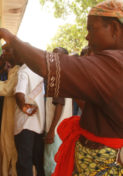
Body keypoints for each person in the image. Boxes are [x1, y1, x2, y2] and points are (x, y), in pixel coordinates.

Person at [0, 0, 123, 175]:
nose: (87, 37)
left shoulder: (113, 64)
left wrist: (12, 39)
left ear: (114, 29)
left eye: (91, 28)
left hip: (103, 165)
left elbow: (48, 65)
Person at [44, 47, 73, 176]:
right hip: (62, 130)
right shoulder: (66, 76)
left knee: (51, 166)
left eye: (57, 55)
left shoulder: (58, 78)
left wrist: (51, 131)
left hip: (56, 132)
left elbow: (59, 105)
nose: (53, 58)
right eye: (52, 55)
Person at [0, 46, 22, 176]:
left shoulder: (20, 71)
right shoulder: (15, 69)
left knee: (11, 149)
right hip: (8, 113)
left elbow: (6, 89)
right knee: (5, 146)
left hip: (14, 117)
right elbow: (6, 85)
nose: (4, 53)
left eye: (7, 50)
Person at [14, 64, 45, 176]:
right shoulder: (40, 72)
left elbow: (19, 94)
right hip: (39, 125)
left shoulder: (24, 71)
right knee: (38, 161)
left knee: (24, 162)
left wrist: (27, 109)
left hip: (25, 124)